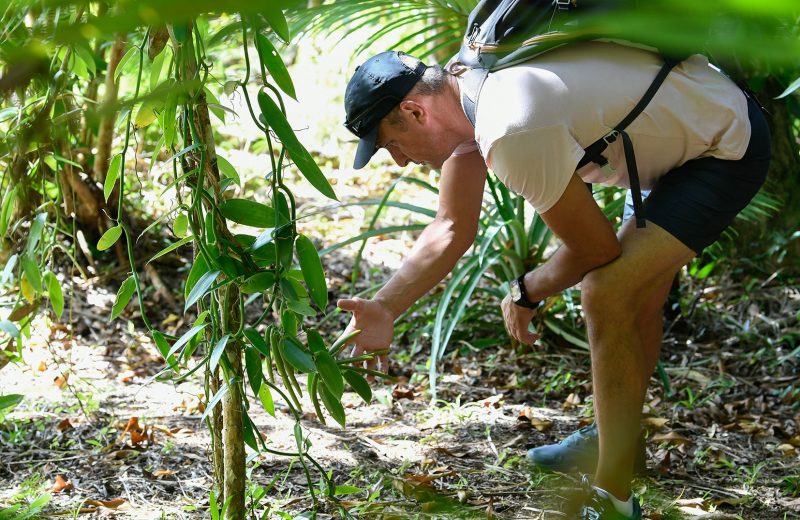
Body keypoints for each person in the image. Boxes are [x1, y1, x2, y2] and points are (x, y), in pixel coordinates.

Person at [337, 42, 771, 519]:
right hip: (671, 139)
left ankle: (612, 502)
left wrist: (526, 290)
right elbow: (451, 227)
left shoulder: (510, 128)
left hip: (719, 146)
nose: (399, 160)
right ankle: (617, 442)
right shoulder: (468, 85)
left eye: (390, 144)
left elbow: (595, 251)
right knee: (634, 298)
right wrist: (383, 307)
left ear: (414, 111)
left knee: (606, 291)